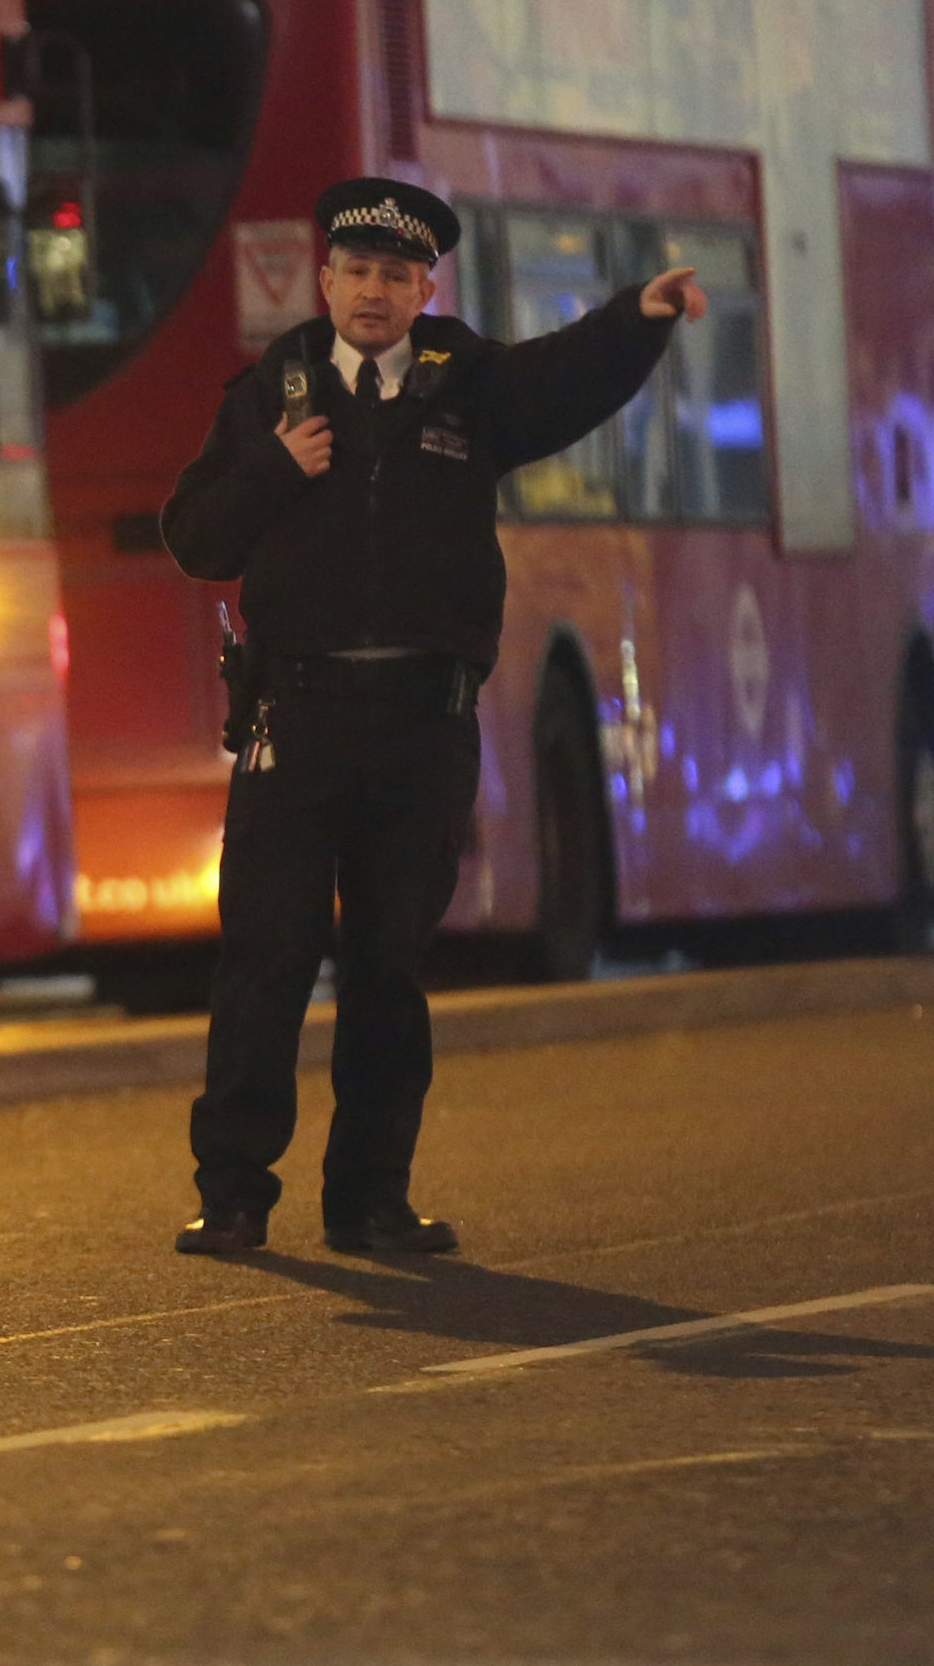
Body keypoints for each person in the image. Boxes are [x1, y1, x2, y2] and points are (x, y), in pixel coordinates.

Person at [160, 179, 707, 1257]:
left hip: (419, 721)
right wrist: (278, 464)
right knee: (267, 955)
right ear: (324, 281)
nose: (373, 293)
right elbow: (195, 539)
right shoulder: (273, 388)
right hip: (295, 717)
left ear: (424, 289)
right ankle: (231, 1192)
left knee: (388, 965)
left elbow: (561, 381)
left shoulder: (465, 384)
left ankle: (369, 1196)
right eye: (356, 272)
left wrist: (637, 317)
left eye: (395, 277)